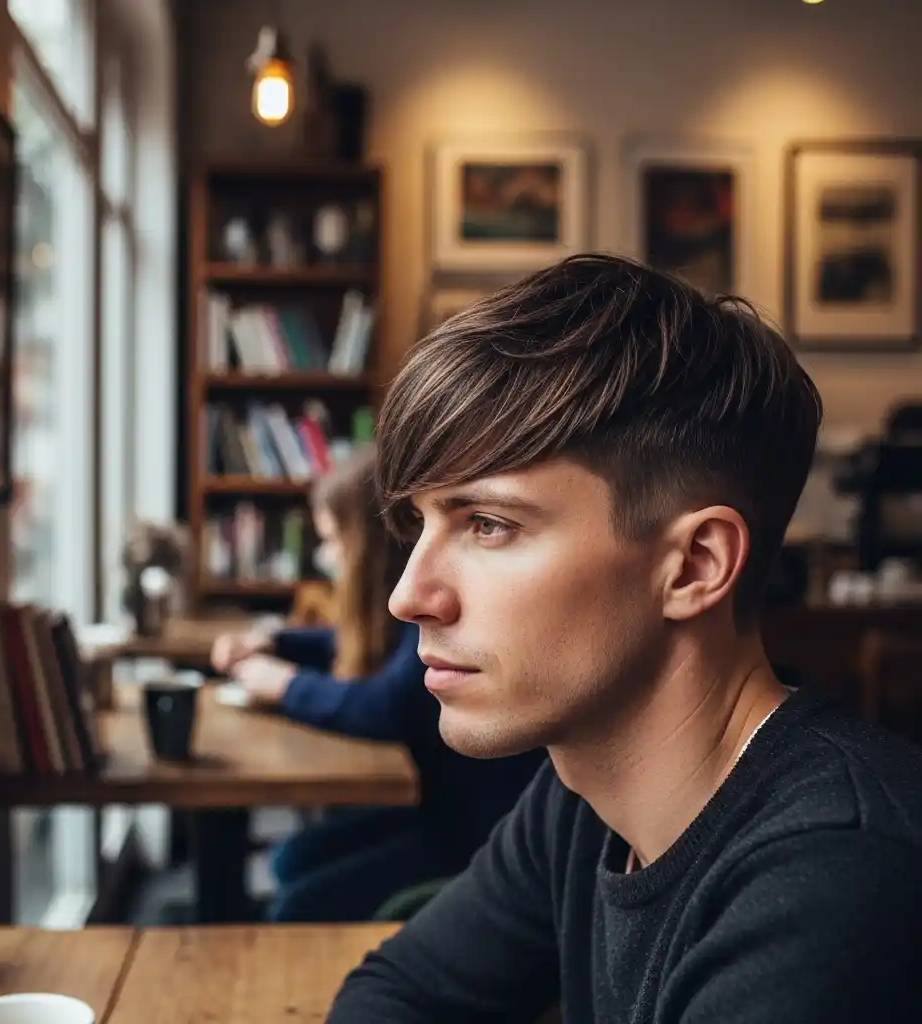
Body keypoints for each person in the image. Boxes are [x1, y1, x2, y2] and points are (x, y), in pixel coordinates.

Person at [328, 254, 922, 1022]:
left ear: (693, 566)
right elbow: (399, 995)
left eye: (489, 525)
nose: (410, 596)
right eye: (421, 523)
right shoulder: (587, 796)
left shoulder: (838, 875)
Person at [211, 444, 545, 922]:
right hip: (440, 809)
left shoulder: (434, 619)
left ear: (369, 544)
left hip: (473, 832)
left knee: (295, 905)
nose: (327, 558)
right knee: (289, 861)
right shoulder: (406, 617)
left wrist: (285, 684)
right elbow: (345, 645)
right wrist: (277, 642)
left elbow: (386, 707)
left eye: (335, 543)